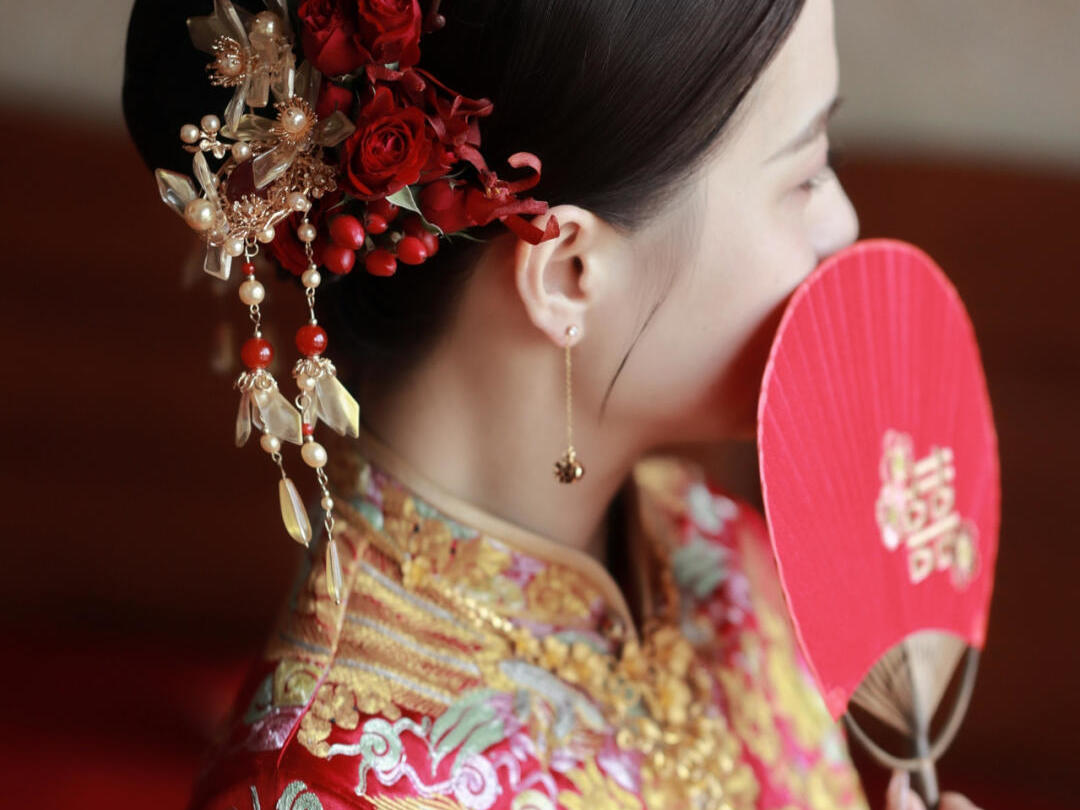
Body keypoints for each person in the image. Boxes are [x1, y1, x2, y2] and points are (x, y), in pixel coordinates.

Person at [124, 1, 983, 808]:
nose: (844, 225)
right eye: (806, 173)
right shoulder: (333, 782)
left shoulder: (721, 550)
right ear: (569, 273)